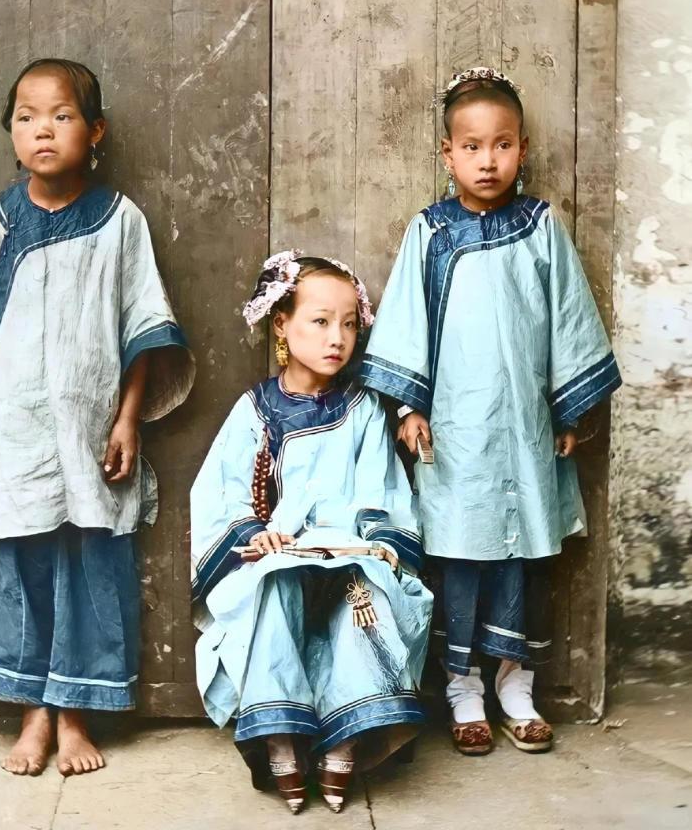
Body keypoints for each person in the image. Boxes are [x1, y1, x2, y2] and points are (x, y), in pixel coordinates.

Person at [0, 59, 194, 776]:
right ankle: (34, 716)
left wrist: (127, 420)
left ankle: (75, 716)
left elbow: (142, 325)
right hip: (12, 429)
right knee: (18, 560)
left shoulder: (120, 221)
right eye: (26, 118)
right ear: (11, 133)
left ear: (96, 131)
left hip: (88, 429)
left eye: (61, 115)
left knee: (86, 563)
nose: (42, 130)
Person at [359, 67, 621, 755]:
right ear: (447, 154)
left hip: (525, 425)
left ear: (522, 149)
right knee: (460, 553)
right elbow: (407, 321)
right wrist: (408, 407)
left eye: (501, 144)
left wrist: (568, 412)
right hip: (454, 429)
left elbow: (568, 319)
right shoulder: (430, 231)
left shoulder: (540, 228)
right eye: (471, 146)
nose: (487, 160)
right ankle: (462, 688)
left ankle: (515, 685)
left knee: (520, 552)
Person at [190, 252, 433, 814]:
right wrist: (255, 533)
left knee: (365, 589)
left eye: (348, 324)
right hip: (280, 550)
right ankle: (280, 736)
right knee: (272, 582)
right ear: (282, 324)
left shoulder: (364, 409)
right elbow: (222, 490)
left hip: (348, 546)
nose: (336, 338)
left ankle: (346, 741)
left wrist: (377, 540)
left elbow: (381, 488)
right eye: (320, 321)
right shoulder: (254, 410)